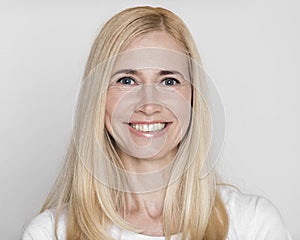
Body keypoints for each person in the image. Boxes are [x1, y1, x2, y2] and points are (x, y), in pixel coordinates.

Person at [22, 6, 292, 240]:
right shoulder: (51, 233)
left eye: (169, 81)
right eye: (127, 81)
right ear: (98, 98)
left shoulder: (253, 225)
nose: (149, 105)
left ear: (193, 99)